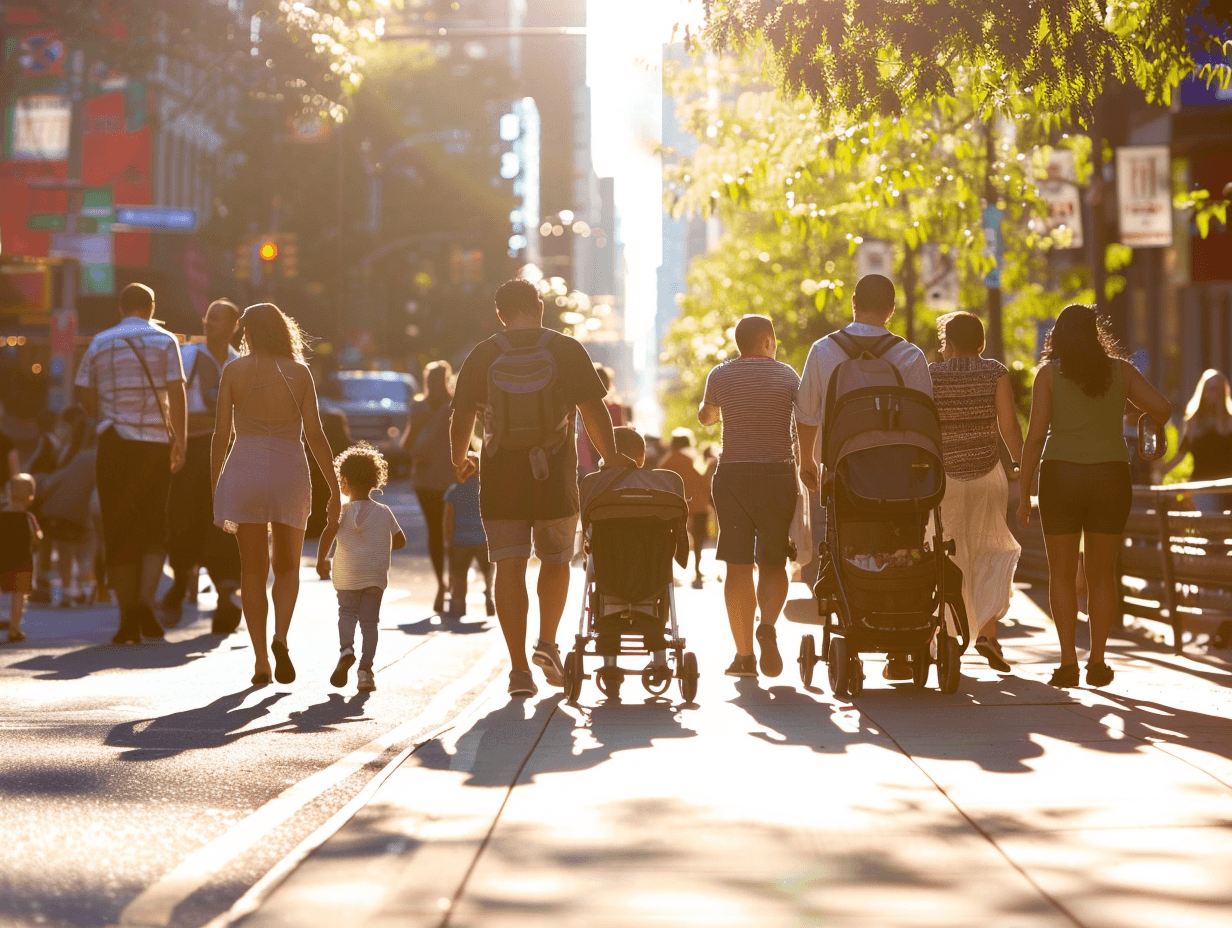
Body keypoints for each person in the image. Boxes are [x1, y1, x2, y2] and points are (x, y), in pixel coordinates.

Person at [450, 277, 636, 698]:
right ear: (539, 307)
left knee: (509, 566)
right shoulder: (566, 349)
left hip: (500, 477)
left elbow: (461, 415)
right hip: (553, 476)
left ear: (500, 313)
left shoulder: (483, 354)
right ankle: (547, 641)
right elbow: (593, 409)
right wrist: (609, 457)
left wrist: (459, 458)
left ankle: (518, 671)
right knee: (555, 559)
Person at [1017, 304, 1172, 688]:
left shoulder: (1049, 376)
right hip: (1110, 476)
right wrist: (1141, 418)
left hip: (1060, 477)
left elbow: (1035, 437)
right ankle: (1098, 661)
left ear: (1058, 336)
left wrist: (1023, 493)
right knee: (1102, 575)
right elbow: (1163, 409)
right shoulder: (1121, 371)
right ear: (1095, 334)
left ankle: (1068, 662)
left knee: (1062, 575)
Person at [796, 274, 932, 680]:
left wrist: (807, 461)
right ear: (892, 308)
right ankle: (903, 646)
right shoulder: (910, 355)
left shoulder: (823, 350)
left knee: (849, 543)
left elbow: (805, 412)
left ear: (853, 302)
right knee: (903, 544)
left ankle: (854, 623)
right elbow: (925, 416)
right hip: (904, 478)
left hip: (844, 475)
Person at [212, 303, 341, 686]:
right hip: (289, 467)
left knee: (252, 571)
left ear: (247, 331)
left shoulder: (233, 371)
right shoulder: (299, 373)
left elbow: (221, 435)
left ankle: (260, 661)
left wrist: (215, 486)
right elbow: (315, 434)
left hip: (245, 467)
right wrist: (334, 488)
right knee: (287, 567)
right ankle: (281, 637)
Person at [74, 282, 187, 643]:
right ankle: (147, 606)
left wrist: (102, 413)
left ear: (121, 308)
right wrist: (180, 441)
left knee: (118, 528)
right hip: (154, 445)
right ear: (151, 307)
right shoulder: (166, 340)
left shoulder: (100, 342)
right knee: (154, 527)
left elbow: (82, 390)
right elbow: (176, 391)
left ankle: (127, 617)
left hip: (114, 444)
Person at [699, 314, 801, 678]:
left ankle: (744, 657)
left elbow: (706, 418)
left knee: (738, 564)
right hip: (777, 472)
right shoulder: (788, 375)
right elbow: (804, 419)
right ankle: (768, 625)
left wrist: (716, 409)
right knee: (774, 560)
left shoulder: (720, 374)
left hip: (734, 474)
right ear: (768, 341)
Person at [929, 312, 1024, 672]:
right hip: (988, 477)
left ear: (947, 344)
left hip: (944, 481)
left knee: (943, 553)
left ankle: (942, 636)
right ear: (981, 344)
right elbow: (1008, 424)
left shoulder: (932, 375)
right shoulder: (995, 371)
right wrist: (1023, 468)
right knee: (990, 550)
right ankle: (987, 633)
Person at [163, 299, 244, 632]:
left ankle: (226, 589)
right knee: (185, 516)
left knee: (225, 520)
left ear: (234, 326)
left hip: (228, 452)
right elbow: (172, 403)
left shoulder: (239, 363)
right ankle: (182, 577)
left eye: (218, 319)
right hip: (194, 449)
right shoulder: (189, 355)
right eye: (208, 318)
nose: (209, 323)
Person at [315, 443, 405, 693]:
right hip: (375, 575)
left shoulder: (342, 512)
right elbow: (400, 541)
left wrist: (321, 560)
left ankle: (346, 650)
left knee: (346, 614)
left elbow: (328, 533)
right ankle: (365, 671)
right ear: (376, 480)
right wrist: (378, 544)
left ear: (343, 481)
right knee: (369, 623)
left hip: (347, 574)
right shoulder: (384, 511)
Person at [403, 361, 457, 614]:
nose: (435, 384)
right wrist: (419, 423)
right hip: (426, 479)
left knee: (453, 533)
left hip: (452, 478)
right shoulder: (419, 407)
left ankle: (455, 583)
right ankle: (441, 584)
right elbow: (407, 444)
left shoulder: (456, 406)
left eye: (438, 379)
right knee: (436, 532)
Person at [31, 407, 97, 607]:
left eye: (63, 425)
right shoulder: (68, 448)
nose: (60, 429)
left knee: (70, 550)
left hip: (68, 506)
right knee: (70, 550)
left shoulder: (76, 452)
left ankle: (75, 589)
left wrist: (42, 482)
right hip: (73, 505)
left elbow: (61, 476)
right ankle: (75, 590)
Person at [1161, 369, 1232, 511]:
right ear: (1203, 390)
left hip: (1228, 485)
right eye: (1210, 388)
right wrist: (1162, 470)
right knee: (1211, 524)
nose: (1214, 393)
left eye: (1218, 389)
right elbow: (1181, 453)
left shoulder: (1229, 420)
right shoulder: (1194, 421)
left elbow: (1224, 435)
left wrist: (1220, 412)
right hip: (1203, 485)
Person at [659, 428, 713, 588]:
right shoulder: (695, 458)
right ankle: (697, 571)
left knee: (670, 539)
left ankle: (670, 573)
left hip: (675, 505)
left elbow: (662, 483)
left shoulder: (667, 461)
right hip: (698, 504)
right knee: (699, 539)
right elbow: (705, 481)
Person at [443, 471, 494, 618]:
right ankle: (490, 596)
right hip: (483, 539)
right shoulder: (486, 488)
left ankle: (459, 605)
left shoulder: (454, 490)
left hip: (460, 540)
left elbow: (448, 519)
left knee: (459, 574)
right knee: (488, 571)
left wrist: (448, 540)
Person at [1, 474, 42, 643]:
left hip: (3, 560)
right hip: (22, 563)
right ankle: (14, 629)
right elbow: (38, 536)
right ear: (30, 498)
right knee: (19, 596)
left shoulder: (1, 516)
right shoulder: (29, 518)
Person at [577, 364, 626, 479]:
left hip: (588, 463)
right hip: (606, 462)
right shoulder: (616, 408)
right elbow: (622, 436)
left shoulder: (580, 408)